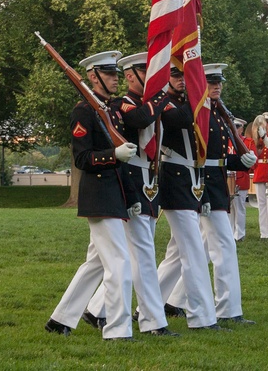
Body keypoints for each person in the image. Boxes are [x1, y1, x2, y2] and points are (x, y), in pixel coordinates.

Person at [83, 51, 176, 337]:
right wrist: (165, 92)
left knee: (108, 259)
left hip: (147, 180)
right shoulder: (123, 104)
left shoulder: (135, 103)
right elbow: (140, 120)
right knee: (136, 256)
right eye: (147, 72)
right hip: (129, 181)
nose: (152, 77)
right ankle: (152, 321)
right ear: (130, 76)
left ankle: (88, 311)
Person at [46, 51, 136, 340]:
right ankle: (118, 328)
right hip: (99, 196)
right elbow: (83, 158)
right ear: (92, 76)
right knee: (120, 263)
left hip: (116, 195)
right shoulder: (84, 111)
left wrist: (132, 197)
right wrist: (113, 155)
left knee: (95, 263)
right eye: (109, 74)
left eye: (116, 74)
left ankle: (60, 320)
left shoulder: (112, 110)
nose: (115, 79)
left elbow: (123, 165)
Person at [166, 63, 256, 325]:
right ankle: (227, 308)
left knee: (193, 249)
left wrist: (241, 161)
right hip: (199, 181)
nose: (217, 86)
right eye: (211, 82)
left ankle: (172, 300)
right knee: (220, 244)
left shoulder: (216, 111)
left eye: (219, 82)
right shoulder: (199, 111)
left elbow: (218, 156)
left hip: (214, 181)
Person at [155, 65, 219, 331]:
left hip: (189, 178)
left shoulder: (185, 101)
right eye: (177, 76)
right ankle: (202, 316)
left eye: (186, 75)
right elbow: (178, 121)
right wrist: (197, 91)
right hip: (174, 177)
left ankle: (145, 305)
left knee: (176, 253)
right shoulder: (165, 103)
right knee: (192, 249)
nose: (183, 80)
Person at [228, 118, 252, 241]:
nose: (235, 129)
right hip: (228, 179)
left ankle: (240, 234)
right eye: (233, 126)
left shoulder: (247, 142)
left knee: (239, 208)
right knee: (229, 208)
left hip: (241, 178)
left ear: (242, 128)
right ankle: (230, 233)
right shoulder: (227, 141)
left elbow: (252, 162)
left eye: (237, 126)